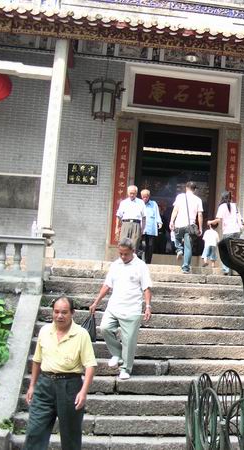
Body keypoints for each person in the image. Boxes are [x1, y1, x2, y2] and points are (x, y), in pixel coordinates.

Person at [24, 296, 96, 450]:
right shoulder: (45, 331)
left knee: (70, 436)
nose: (59, 316)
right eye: (56, 312)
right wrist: (32, 385)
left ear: (72, 313)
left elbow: (90, 365)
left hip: (70, 386)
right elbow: (37, 360)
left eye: (64, 312)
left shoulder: (81, 334)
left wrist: (83, 392)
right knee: (34, 432)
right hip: (44, 385)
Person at [89, 238, 152, 380]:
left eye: (126, 254)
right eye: (120, 254)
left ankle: (125, 369)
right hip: (114, 306)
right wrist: (96, 302)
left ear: (133, 251)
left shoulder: (141, 266)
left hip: (132, 309)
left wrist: (148, 306)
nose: (123, 257)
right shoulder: (115, 265)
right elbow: (107, 285)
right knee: (105, 328)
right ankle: (117, 353)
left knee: (129, 341)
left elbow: (147, 288)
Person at [207, 191, 244, 275]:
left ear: (222, 198)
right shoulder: (235, 205)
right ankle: (236, 270)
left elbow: (218, 220)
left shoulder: (222, 206)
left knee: (226, 251)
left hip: (228, 232)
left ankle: (226, 269)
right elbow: (239, 218)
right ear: (230, 198)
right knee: (235, 252)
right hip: (237, 231)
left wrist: (210, 222)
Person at [170, 181, 203, 274]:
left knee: (176, 238)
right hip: (190, 226)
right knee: (188, 248)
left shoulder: (180, 197)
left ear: (186, 188)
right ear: (195, 190)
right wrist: (200, 228)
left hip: (179, 224)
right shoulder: (198, 200)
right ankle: (185, 268)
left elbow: (175, 210)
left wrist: (171, 221)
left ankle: (179, 249)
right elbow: (200, 215)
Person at [115, 185, 146, 252]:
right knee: (123, 244)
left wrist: (143, 229)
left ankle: (133, 258)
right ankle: (123, 258)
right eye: (130, 193)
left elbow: (144, 217)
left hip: (136, 225)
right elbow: (118, 216)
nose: (132, 195)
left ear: (136, 193)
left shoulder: (141, 202)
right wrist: (117, 228)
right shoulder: (123, 202)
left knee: (134, 245)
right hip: (125, 224)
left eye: (133, 193)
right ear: (127, 193)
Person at [140, 189, 162, 264]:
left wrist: (159, 222)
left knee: (150, 245)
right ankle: (141, 261)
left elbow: (157, 213)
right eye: (143, 197)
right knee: (142, 245)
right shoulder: (139, 203)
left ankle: (148, 262)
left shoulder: (153, 204)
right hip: (141, 227)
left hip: (151, 227)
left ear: (149, 196)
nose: (144, 198)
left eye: (146, 197)